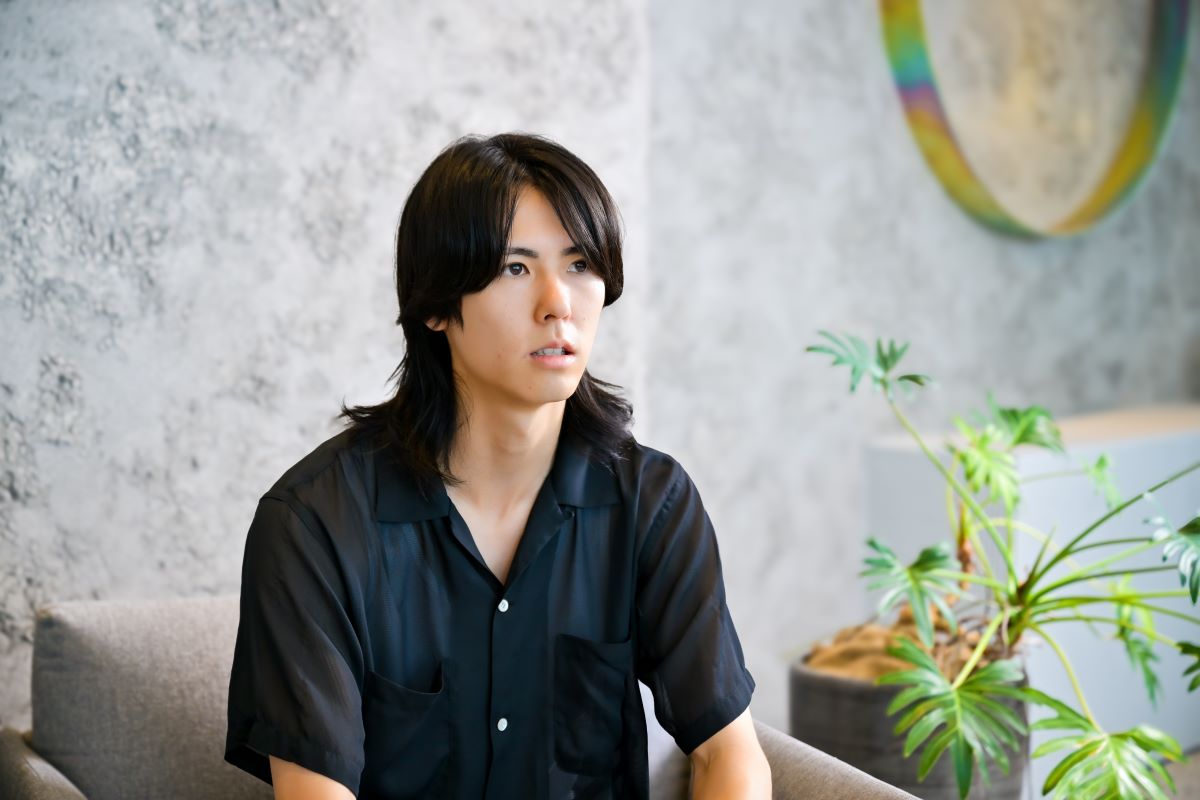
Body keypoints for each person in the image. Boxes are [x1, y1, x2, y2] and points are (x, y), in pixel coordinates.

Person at [223, 132, 771, 799]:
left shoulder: (651, 503)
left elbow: (727, 754)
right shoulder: (315, 525)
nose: (558, 303)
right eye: (515, 268)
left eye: (579, 264)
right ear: (435, 305)